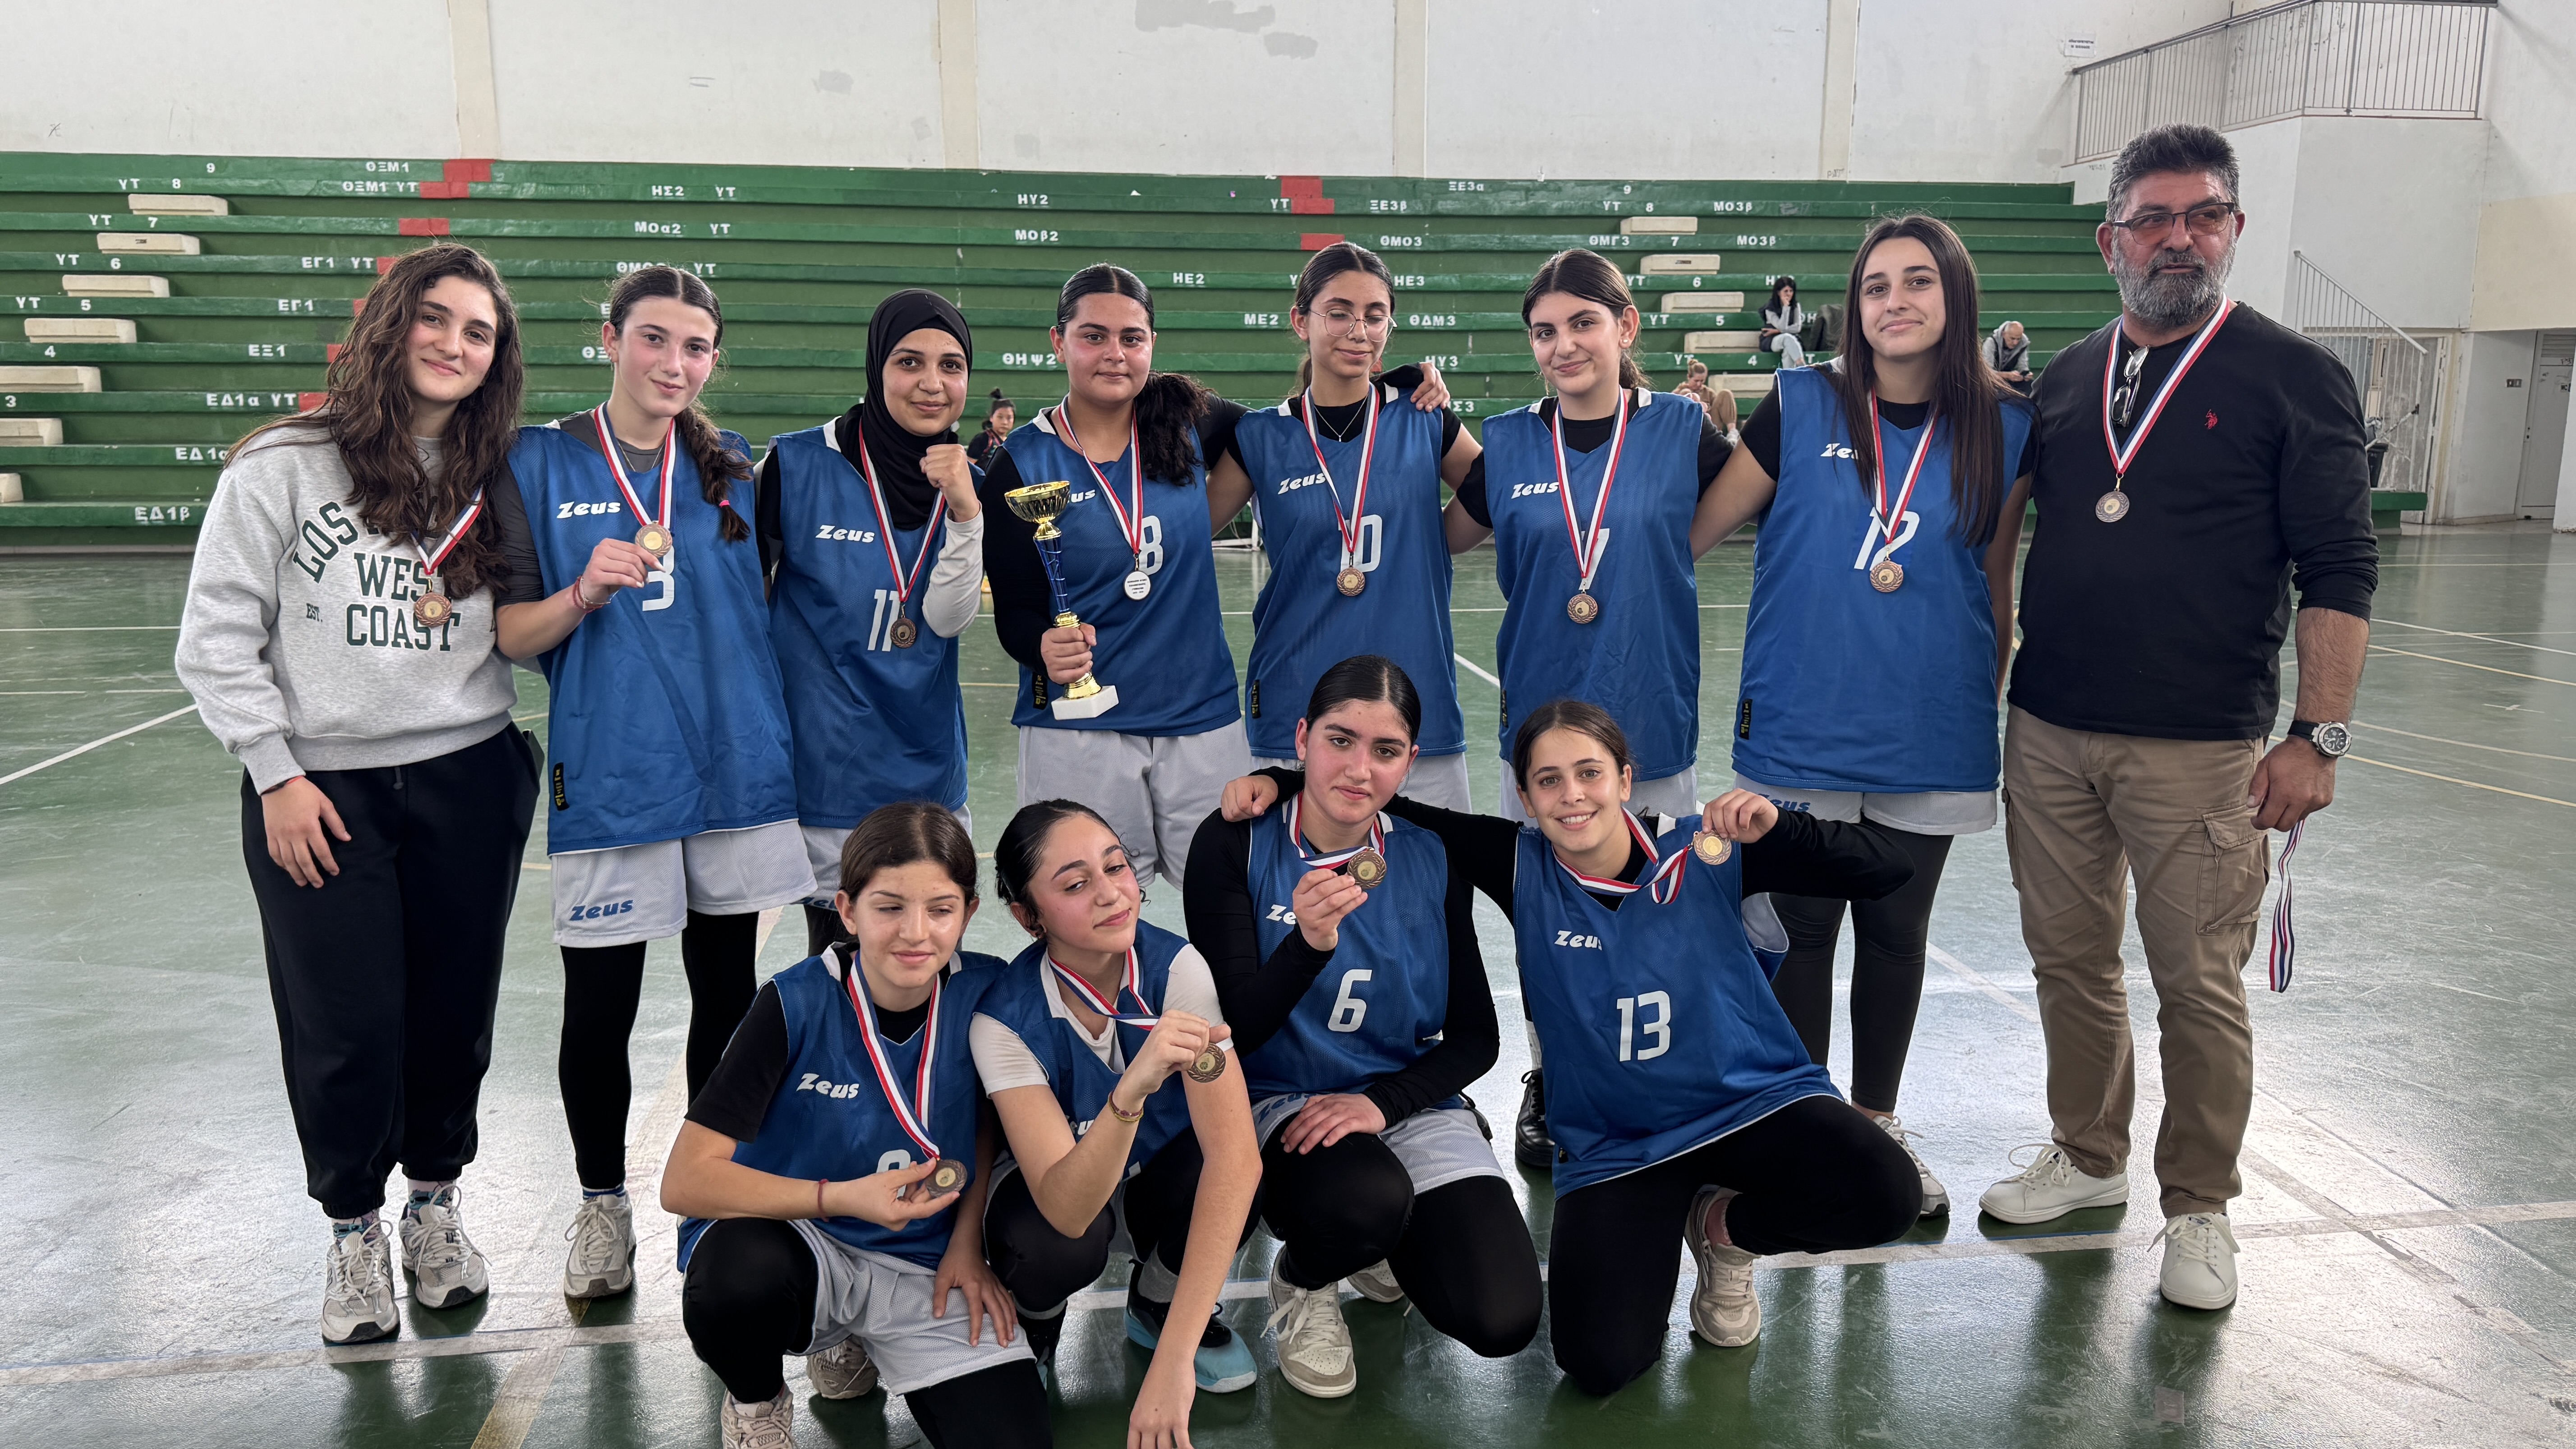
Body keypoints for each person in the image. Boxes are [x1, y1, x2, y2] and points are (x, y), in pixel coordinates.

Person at [1222, 699, 1919, 1395]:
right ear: (1526, 798)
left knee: (1888, 1195)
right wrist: (1282, 782)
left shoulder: (1709, 847)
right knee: (1600, 1361)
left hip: (1751, 1104)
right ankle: (1680, 1222)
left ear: (1625, 778)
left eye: (1590, 773)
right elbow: (1391, 804)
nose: (1572, 795)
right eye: (1549, 780)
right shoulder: (1519, 863)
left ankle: (1726, 1229)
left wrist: (1784, 828)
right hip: (1621, 1145)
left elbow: (1887, 870)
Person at [1978, 123, 2376, 1312]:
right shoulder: (2065, 379)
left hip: (2202, 746)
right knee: (2068, 958)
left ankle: (2200, 1204)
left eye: (2203, 215)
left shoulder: (2294, 376)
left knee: (2197, 979)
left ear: (2234, 229)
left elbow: (2341, 568)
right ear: (2111, 242)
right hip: (2051, 727)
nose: (2179, 238)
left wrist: (2318, 735)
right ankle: (2089, 1154)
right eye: (2153, 219)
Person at [175, 242, 541, 1345]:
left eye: (478, 332)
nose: (453, 345)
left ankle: (434, 1208)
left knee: (453, 1015)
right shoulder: (281, 465)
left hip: (468, 772)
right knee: (343, 1023)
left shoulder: (498, 471)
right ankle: (351, 1232)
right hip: (319, 790)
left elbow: (527, 622)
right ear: (391, 323)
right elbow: (215, 639)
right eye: (436, 318)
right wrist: (275, 772)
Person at [1686, 214, 2040, 1219]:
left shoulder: (2010, 425)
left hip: (1932, 720)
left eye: (1918, 281)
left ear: (1954, 295)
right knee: (1802, 930)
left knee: (1895, 929)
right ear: (1855, 307)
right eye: (1877, 285)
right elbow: (1696, 530)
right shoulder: (1801, 403)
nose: (1895, 301)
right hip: (1802, 717)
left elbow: (1995, 577)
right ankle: (1808, 1134)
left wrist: (1982, 699)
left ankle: (1876, 1127)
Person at [488, 265, 813, 1303]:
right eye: (655, 339)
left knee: (727, 994)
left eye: (696, 346)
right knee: (601, 1008)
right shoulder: (539, 460)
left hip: (732, 772)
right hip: (616, 771)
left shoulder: (735, 469)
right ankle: (601, 1204)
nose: (675, 362)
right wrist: (584, 591)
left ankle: (712, 1193)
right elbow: (512, 633)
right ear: (611, 338)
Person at [1438, 248, 1735, 1169]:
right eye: (1544, 331)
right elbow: (1432, 539)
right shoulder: (1506, 443)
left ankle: (1653, 1069)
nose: (1563, 345)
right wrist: (1423, 412)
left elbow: (1757, 497)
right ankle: (1554, 1074)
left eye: (1582, 323)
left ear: (1624, 327)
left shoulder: (1681, 428)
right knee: (1550, 918)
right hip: (1540, 726)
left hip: (1648, 715)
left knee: (1655, 910)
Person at [1184, 656, 1541, 1400]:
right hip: (1278, 1099)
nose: (1358, 767)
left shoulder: (1429, 853)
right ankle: (1305, 1276)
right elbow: (1233, 1032)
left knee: (1502, 1316)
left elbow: (1477, 1037)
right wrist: (1308, 946)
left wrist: (1384, 1104)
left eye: (1385, 750)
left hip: (1398, 1100)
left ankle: (1384, 1230)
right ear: (1302, 738)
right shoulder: (1235, 842)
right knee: (1365, 1201)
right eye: (1339, 740)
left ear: (1410, 761)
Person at [663, 804, 1040, 1449]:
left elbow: (989, 1122)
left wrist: (966, 1244)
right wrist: (839, 1197)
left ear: (969, 914)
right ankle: (757, 1403)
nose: (915, 932)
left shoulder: (989, 991)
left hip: (926, 1262)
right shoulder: (794, 1002)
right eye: (889, 907)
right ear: (847, 910)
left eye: (941, 909)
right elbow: (685, 1182)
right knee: (733, 1278)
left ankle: (862, 1339)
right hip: (802, 1244)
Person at [974, 800, 1264, 1438]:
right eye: (1075, 885)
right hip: (1063, 1202)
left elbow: (1237, 1160)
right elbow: (1068, 1210)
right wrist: (1131, 1089)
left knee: (1235, 1171)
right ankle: (1038, 1320)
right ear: (1027, 917)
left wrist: (1173, 1363)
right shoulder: (1003, 1020)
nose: (1110, 894)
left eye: (1116, 867)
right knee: (1052, 1246)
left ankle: (1158, 1303)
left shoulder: (1178, 970)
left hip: (1154, 1180)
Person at [975, 264, 1250, 889]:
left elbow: (1301, 425)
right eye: (1093, 336)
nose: (1115, 354)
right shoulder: (1021, 463)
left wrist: (1395, 385)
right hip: (1079, 729)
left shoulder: (1194, 423)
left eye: (1132, 338)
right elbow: (1014, 608)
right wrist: (1042, 646)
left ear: (1152, 344)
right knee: (1089, 911)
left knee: (1231, 901)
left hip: (1200, 719)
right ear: (1059, 342)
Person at [1210, 241, 1480, 809]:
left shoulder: (1424, 418)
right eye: (1338, 313)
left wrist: (1437, 537)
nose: (1359, 331)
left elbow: (1497, 494)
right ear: (1300, 320)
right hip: (1297, 705)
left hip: (1416, 702)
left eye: (1374, 316)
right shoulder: (1260, 437)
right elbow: (1186, 535)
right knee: (1301, 867)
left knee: (1433, 866)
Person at [759, 290, 987, 957]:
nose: (932, 383)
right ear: (876, 366)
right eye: (909, 362)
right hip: (828, 774)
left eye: (951, 366)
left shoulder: (973, 480)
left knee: (924, 964)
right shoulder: (796, 466)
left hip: (929, 773)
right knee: (839, 968)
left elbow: (946, 619)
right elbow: (745, 610)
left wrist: (967, 511)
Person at [1760, 276, 1808, 368]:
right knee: (1787, 338)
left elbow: (1797, 328)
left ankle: (1789, 375)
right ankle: (1803, 367)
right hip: (1772, 340)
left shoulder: (1796, 306)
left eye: (1791, 291)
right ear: (1779, 292)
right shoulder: (1770, 309)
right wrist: (1786, 307)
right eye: (1786, 291)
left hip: (1791, 339)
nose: (1789, 294)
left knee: (1788, 350)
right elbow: (1782, 327)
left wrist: (1777, 331)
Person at [1984, 320, 2034, 393]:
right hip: (1990, 381)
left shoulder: (2023, 343)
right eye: (2012, 339)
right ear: (2004, 334)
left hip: (2009, 381)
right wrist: (2007, 375)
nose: (2015, 343)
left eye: (2018, 339)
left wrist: (2026, 375)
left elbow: (2023, 366)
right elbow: (1986, 372)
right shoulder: (1991, 343)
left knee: (2031, 386)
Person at [969, 390, 1015, 466]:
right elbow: (968, 467)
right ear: (991, 418)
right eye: (1000, 417)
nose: (1005, 422)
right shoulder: (983, 439)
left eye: (1009, 418)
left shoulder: (1012, 442)